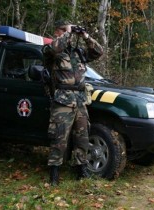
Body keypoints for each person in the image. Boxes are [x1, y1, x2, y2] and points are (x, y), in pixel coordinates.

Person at [44, 20, 103, 186]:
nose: (66, 33)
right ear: (57, 32)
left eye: (67, 30)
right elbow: (55, 47)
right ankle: (54, 172)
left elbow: (99, 52)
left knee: (82, 138)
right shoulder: (52, 50)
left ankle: (80, 168)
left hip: (80, 100)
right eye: (62, 30)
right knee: (59, 138)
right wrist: (68, 33)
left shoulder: (78, 53)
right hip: (62, 100)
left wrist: (85, 36)